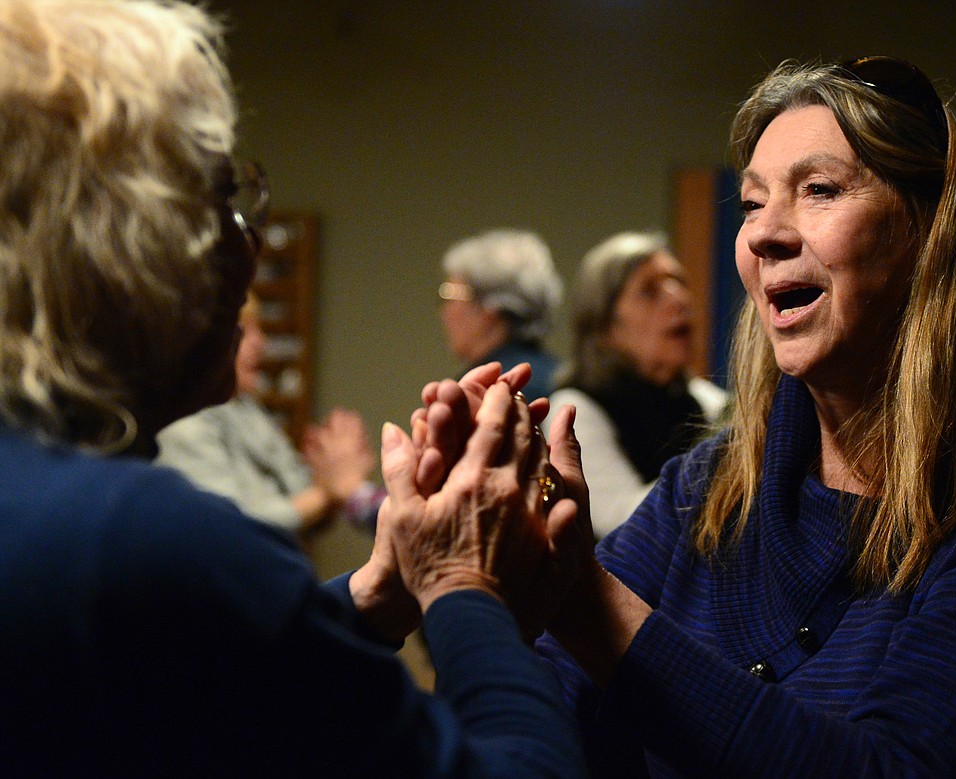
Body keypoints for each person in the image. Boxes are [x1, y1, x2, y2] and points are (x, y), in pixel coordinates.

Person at [419, 57, 956, 776]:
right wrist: (493, 568)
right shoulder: (707, 488)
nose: (764, 233)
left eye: (820, 190)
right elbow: (543, 716)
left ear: (931, 231)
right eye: (754, 203)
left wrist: (585, 605)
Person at [0, 2, 586, 776]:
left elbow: (204, 656)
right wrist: (464, 588)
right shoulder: (136, 536)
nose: (248, 247)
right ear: (123, 243)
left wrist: (381, 588)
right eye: (221, 201)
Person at [547, 231, 726, 537]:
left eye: (678, 282)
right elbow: (617, 518)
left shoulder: (707, 400)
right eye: (649, 290)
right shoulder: (576, 410)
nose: (679, 299)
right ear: (604, 326)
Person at [155, 291, 377, 536]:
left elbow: (301, 496)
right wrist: (335, 487)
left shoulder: (246, 410)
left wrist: (330, 467)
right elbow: (231, 526)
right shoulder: (180, 420)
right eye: (243, 330)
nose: (260, 343)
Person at [439, 228, 563, 399]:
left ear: (491, 308)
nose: (445, 313)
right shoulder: (562, 378)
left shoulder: (479, 393)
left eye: (451, 296)